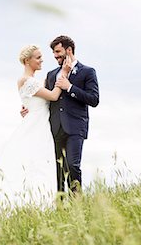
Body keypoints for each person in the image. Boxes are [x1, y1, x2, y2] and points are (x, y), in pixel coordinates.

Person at [0, 45, 71, 211]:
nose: (41, 60)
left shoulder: (34, 81)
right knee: (35, 164)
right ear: (27, 61)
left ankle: (42, 203)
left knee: (41, 165)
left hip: (40, 123)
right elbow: (53, 96)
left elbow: (39, 99)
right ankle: (35, 204)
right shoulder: (26, 80)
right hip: (36, 126)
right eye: (38, 57)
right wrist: (63, 74)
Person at [21, 35, 99, 195]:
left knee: (72, 165)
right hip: (54, 128)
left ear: (68, 50)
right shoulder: (51, 74)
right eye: (54, 53)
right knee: (56, 170)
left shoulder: (87, 72)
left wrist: (70, 87)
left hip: (76, 127)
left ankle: (76, 202)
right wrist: (28, 107)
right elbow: (46, 98)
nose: (55, 56)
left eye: (58, 51)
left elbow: (94, 99)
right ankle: (60, 205)